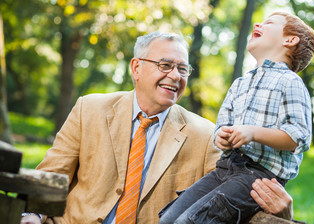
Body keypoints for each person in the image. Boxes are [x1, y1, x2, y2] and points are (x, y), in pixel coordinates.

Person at [20, 31, 294, 224]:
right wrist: (31, 215)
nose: (174, 76)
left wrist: (282, 214)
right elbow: (52, 175)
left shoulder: (206, 134)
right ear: (136, 68)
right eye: (165, 65)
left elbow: (230, 199)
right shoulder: (89, 108)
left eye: (182, 69)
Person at [158, 11, 314, 224]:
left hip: (258, 176)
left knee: (189, 221)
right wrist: (222, 137)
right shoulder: (240, 84)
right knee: (168, 219)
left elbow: (297, 137)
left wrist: (252, 133)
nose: (259, 23)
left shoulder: (290, 82)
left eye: (269, 22)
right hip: (225, 167)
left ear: (289, 40)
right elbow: (221, 128)